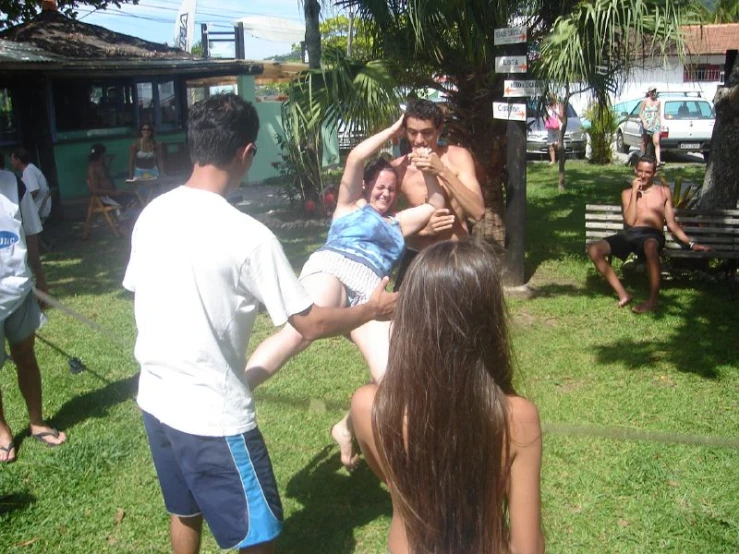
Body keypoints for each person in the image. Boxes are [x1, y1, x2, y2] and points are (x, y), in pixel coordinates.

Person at [122, 94, 396, 554]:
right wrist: (371, 310)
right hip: (214, 418)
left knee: (184, 510)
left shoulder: (152, 213)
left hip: (154, 400)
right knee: (258, 537)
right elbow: (308, 323)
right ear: (246, 153)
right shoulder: (249, 236)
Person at [245, 116, 445, 470]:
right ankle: (239, 389)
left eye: (391, 189)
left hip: (372, 297)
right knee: (297, 335)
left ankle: (357, 432)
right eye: (379, 186)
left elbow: (435, 204)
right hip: (335, 269)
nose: (385, 193)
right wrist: (395, 131)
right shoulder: (348, 207)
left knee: (394, 374)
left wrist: (425, 160)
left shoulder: (399, 223)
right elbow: (354, 158)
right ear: (366, 186)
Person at [351, 239, 544, 554]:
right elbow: (528, 547)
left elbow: (392, 478)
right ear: (489, 321)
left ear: (410, 313)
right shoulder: (516, 417)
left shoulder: (368, 406)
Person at [0, 153, 67, 464]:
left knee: (26, 356)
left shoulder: (14, 184)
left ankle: (37, 422)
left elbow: (30, 235)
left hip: (18, 291)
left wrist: (40, 277)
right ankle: (2, 433)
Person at [587, 155, 710, 313]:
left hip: (652, 235)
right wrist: (633, 193)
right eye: (640, 171)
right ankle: (623, 294)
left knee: (651, 246)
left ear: (654, 173)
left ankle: (653, 300)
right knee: (594, 249)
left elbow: (672, 223)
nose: (643, 176)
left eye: (648, 172)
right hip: (631, 234)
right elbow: (630, 221)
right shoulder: (626, 193)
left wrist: (692, 243)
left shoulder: (663, 192)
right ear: (635, 170)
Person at [391, 98, 485, 290]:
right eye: (412, 132)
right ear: (404, 131)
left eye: (427, 133)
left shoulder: (457, 157)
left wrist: (441, 170)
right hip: (418, 256)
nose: (419, 140)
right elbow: (385, 225)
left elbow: (477, 211)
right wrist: (424, 230)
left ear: (439, 129)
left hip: (456, 256)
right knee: (404, 318)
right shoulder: (399, 169)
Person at [10, 147, 51, 220]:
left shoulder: (28, 171)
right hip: (41, 207)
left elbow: (34, 191)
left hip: (39, 209)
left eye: (12, 160)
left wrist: (22, 204)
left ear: (18, 160)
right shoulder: (30, 168)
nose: (11, 162)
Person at [638, 85, 663, 166]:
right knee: (644, 142)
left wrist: (660, 125)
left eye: (654, 91)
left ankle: (659, 161)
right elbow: (640, 113)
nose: (653, 93)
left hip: (655, 124)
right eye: (652, 91)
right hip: (646, 124)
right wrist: (644, 121)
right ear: (649, 92)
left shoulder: (658, 102)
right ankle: (642, 158)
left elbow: (659, 114)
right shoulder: (645, 101)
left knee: (656, 142)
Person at [545, 95, 563, 165]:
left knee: (558, 144)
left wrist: (554, 111)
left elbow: (561, 116)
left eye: (551, 99)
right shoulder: (548, 107)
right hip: (550, 128)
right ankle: (552, 160)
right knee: (550, 144)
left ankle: (560, 159)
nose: (550, 101)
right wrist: (547, 112)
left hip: (558, 128)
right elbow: (545, 117)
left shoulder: (559, 106)